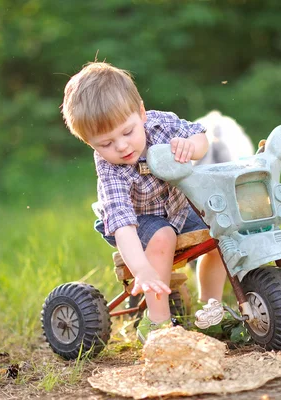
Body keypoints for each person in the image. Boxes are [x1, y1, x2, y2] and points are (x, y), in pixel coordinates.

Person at [61, 61, 227, 343]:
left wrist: (192, 147)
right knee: (162, 236)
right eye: (106, 143)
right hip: (139, 220)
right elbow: (124, 226)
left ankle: (211, 310)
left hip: (176, 207)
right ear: (90, 143)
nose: (122, 146)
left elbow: (199, 136)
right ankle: (157, 324)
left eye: (127, 132)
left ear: (140, 112)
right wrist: (142, 269)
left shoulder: (161, 124)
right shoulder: (110, 169)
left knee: (221, 227)